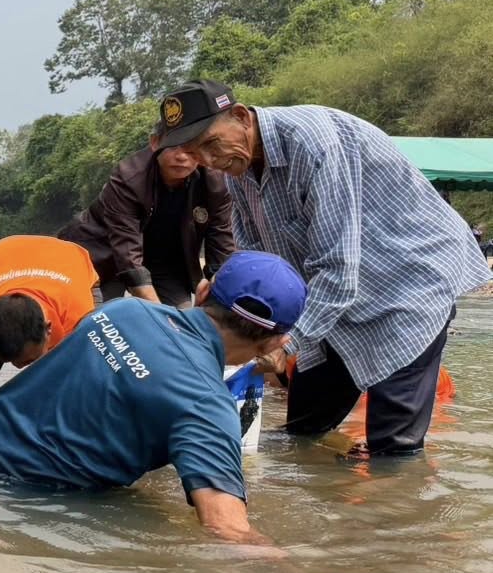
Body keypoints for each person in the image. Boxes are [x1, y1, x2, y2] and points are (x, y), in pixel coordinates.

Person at [158, 78, 491, 457]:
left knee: (391, 449)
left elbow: (338, 272)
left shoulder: (314, 145)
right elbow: (258, 262)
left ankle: (393, 491)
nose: (209, 161)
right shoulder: (240, 169)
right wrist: (226, 306)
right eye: (196, 153)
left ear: (240, 116)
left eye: (211, 144)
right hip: (334, 301)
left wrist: (283, 345)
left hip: (406, 287)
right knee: (302, 430)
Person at [0, 251, 307, 544]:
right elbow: (226, 528)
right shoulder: (208, 405)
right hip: (31, 500)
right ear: (274, 343)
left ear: (203, 291)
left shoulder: (120, 311)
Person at [59, 121, 234, 306]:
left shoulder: (215, 182)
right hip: (102, 255)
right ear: (155, 143)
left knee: (182, 318)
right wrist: (160, 315)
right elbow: (127, 255)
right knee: (101, 317)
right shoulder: (128, 178)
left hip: (163, 262)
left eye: (190, 147)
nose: (182, 156)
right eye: (173, 146)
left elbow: (221, 249)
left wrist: (220, 300)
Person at [0, 235, 99, 424]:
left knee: (69, 387)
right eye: (6, 358)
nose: (18, 367)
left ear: (49, 330)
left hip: (70, 259)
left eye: (29, 359)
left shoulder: (80, 324)